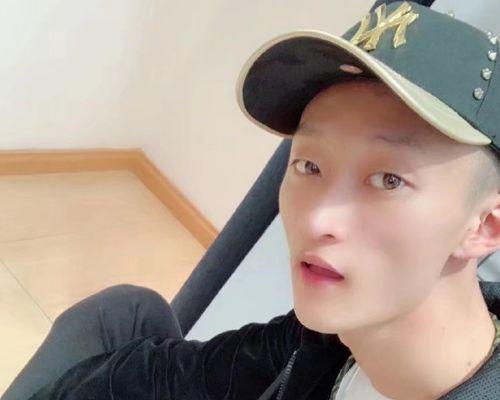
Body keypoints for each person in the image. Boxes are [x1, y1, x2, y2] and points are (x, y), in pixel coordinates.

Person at [3, 1, 500, 399]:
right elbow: (182, 371)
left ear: (486, 226)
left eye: (389, 180)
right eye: (309, 166)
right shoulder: (325, 337)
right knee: (126, 313)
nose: (318, 218)